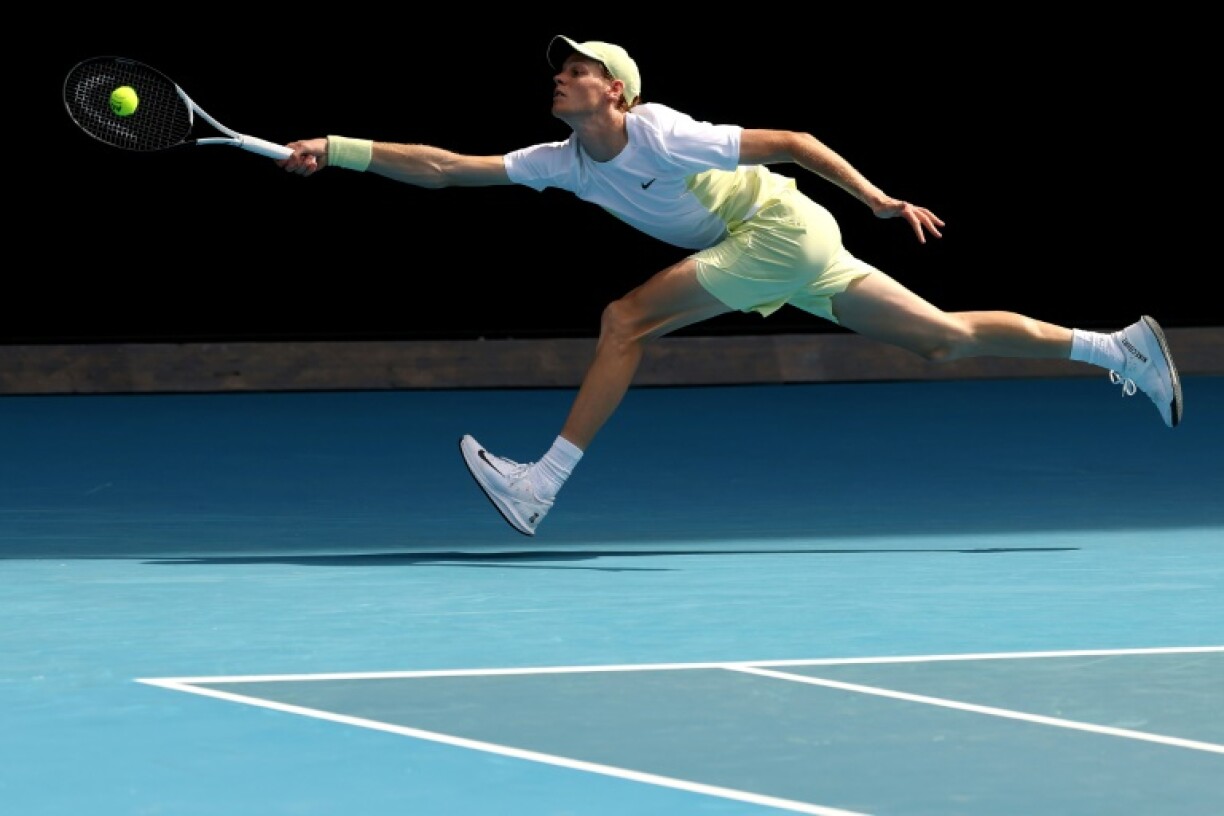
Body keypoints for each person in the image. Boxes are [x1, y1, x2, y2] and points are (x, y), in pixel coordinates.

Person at [278, 35, 1183, 537]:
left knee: (624, 320)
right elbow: (443, 169)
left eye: (579, 68)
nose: (561, 74)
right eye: (561, 68)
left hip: (780, 229)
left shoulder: (663, 133)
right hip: (780, 244)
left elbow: (790, 142)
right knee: (940, 338)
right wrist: (340, 149)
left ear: (617, 92)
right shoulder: (562, 161)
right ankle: (1117, 347)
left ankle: (541, 485)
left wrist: (876, 199)